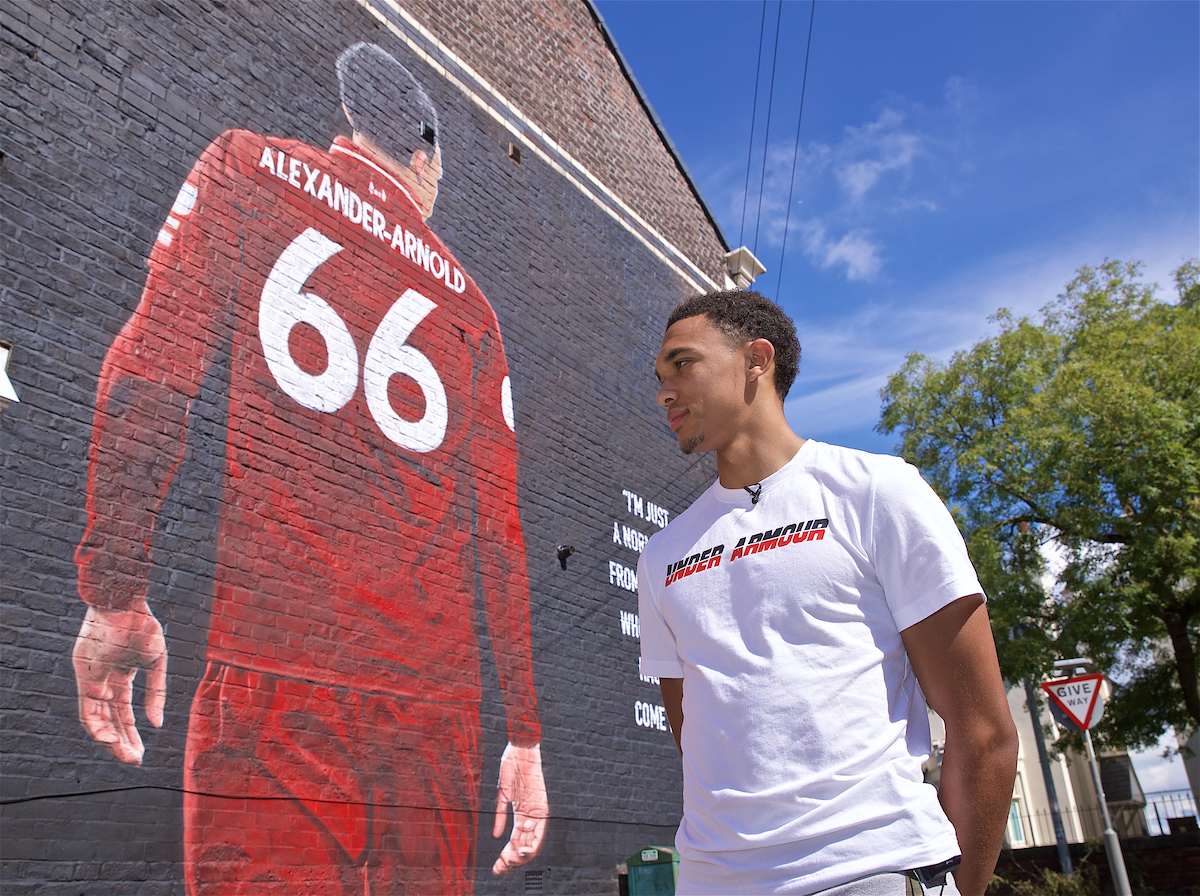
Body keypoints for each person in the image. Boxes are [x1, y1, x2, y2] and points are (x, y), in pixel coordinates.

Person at [71, 42, 546, 894]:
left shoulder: (250, 168)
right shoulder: (473, 308)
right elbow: (502, 536)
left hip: (278, 670)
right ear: (425, 156)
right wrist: (525, 733)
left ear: (351, 122)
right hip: (433, 718)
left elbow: (149, 372)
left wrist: (115, 590)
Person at [637, 290, 1018, 896]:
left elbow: (984, 730)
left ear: (756, 360)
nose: (664, 390)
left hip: (872, 870)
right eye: (659, 375)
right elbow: (697, 740)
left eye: (682, 364)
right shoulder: (661, 555)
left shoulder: (878, 493)